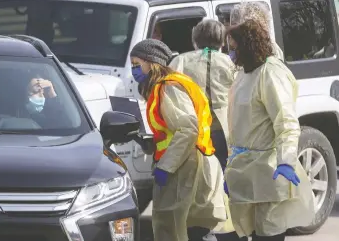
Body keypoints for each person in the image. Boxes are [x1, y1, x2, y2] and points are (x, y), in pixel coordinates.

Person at [224, 20, 315, 241]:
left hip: (269, 168)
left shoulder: (270, 73)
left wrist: (286, 161)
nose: (230, 54)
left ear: (247, 45)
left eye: (233, 48)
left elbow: (286, 122)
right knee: (246, 229)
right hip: (245, 168)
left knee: (269, 231)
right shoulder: (244, 74)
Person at [130, 38, 227, 241]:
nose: (134, 70)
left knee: (181, 228)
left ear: (152, 62)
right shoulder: (164, 86)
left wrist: (166, 166)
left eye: (137, 65)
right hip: (184, 163)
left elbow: (187, 128)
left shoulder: (169, 87)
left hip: (186, 165)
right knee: (191, 227)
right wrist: (148, 143)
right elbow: (171, 132)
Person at [169, 18, 244, 241]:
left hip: (195, 131)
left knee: (198, 184)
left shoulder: (181, 60)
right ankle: (227, 227)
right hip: (224, 130)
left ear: (195, 39)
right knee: (224, 180)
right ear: (222, 40)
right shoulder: (231, 63)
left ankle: (200, 228)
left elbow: (170, 88)